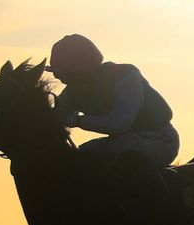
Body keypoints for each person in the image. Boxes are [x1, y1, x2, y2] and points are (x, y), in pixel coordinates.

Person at [47, 34, 179, 169]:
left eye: (65, 75)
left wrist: (77, 121)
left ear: (80, 69)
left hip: (161, 138)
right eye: (58, 75)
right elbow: (57, 117)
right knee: (84, 153)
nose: (63, 81)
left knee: (123, 150)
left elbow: (120, 123)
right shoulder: (72, 91)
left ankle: (157, 189)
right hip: (121, 139)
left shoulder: (124, 77)